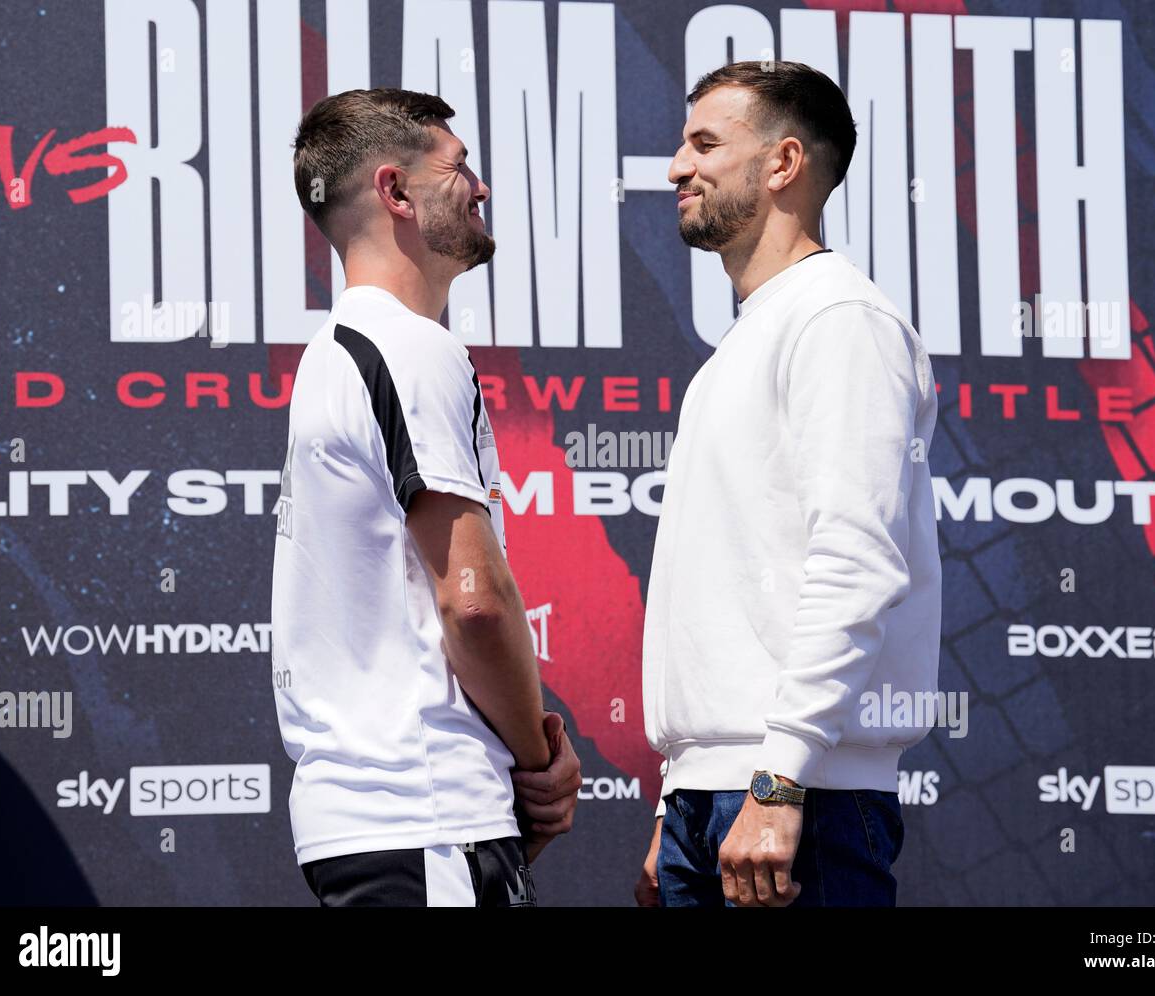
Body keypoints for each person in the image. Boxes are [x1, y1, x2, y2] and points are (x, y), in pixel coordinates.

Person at [636, 61, 942, 908]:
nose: (675, 167)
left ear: (782, 165)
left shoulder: (841, 322)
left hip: (802, 798)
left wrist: (777, 781)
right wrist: (682, 791)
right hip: (726, 794)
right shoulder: (747, 341)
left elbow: (856, 562)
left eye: (704, 144)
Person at [271, 88, 580, 907]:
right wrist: (536, 759)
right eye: (458, 167)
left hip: (383, 818)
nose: (478, 187)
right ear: (395, 193)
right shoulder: (407, 348)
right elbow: (473, 601)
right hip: (424, 809)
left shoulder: (339, 351)